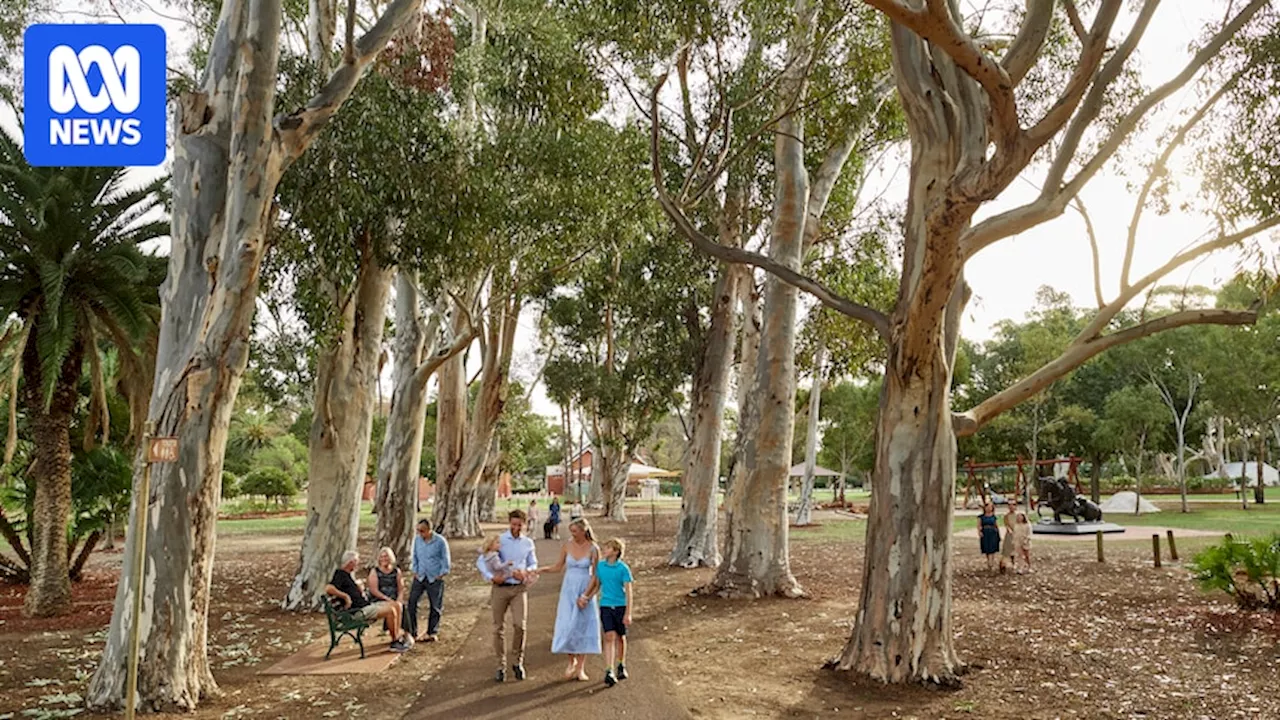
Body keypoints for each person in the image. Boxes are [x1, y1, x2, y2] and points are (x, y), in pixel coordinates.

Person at [475, 510, 538, 682]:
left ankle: (517, 661)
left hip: (519, 588)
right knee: (498, 628)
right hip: (500, 587)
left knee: (520, 625)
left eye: (519, 525)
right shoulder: (499, 540)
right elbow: (481, 560)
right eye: (513, 524)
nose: (516, 528)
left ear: (524, 524)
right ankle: (500, 664)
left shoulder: (528, 543)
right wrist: (490, 577)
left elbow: (533, 562)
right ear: (509, 522)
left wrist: (526, 572)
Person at [542, 518, 601, 680]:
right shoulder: (567, 545)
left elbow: (597, 575)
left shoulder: (594, 548)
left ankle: (581, 667)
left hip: (584, 587)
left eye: (575, 531)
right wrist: (541, 570)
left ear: (583, 531)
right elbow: (558, 567)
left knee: (582, 626)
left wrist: (586, 596)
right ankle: (571, 661)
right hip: (568, 589)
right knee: (568, 624)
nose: (572, 534)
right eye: (571, 531)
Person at [325, 550, 412, 652]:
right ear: (351, 562)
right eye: (357, 561)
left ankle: (397, 637)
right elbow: (328, 588)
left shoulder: (348, 575)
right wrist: (345, 597)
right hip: (357, 612)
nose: (358, 564)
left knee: (396, 605)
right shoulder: (340, 574)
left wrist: (358, 589)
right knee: (390, 611)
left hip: (365, 607)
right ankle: (395, 641)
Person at [583, 537, 633, 688]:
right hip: (605, 605)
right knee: (609, 636)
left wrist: (628, 613)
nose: (604, 550)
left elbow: (629, 592)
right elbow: (597, 585)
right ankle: (609, 670)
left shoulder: (623, 569)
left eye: (608, 548)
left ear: (616, 551)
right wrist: (587, 597)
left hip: (620, 606)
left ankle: (620, 664)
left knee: (620, 637)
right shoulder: (601, 567)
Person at [409, 519, 451, 642]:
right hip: (420, 575)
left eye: (422, 531)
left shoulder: (440, 541)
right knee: (412, 603)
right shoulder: (417, 540)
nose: (420, 533)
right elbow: (415, 556)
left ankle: (432, 631)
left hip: (434, 577)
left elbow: (445, 558)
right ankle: (412, 631)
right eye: (418, 531)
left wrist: (442, 573)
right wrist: (415, 570)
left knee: (435, 606)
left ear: (429, 530)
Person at [367, 547, 406, 636]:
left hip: (394, 597)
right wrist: (387, 599)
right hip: (380, 598)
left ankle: (400, 631)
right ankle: (395, 635)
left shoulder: (396, 571)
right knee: (395, 606)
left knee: (400, 605)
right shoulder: (375, 571)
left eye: (386, 556)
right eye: (382, 557)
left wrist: (399, 598)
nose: (384, 559)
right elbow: (374, 590)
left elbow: (401, 588)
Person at [978, 501, 1000, 572]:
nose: (989, 508)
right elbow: (979, 525)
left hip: (993, 533)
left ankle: (991, 563)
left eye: (990, 507)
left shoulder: (994, 516)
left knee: (992, 548)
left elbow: (996, 525)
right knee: (987, 548)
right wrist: (980, 532)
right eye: (987, 507)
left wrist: (998, 534)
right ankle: (989, 562)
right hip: (985, 532)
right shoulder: (981, 517)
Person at [999, 501, 1017, 574]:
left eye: (1013, 505)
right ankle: (1002, 566)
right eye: (1010, 505)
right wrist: (1010, 530)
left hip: (1017, 535)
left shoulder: (1018, 515)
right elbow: (1007, 525)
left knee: (1016, 550)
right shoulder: (1006, 516)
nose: (1011, 507)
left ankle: (1014, 563)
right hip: (1010, 535)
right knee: (1007, 551)